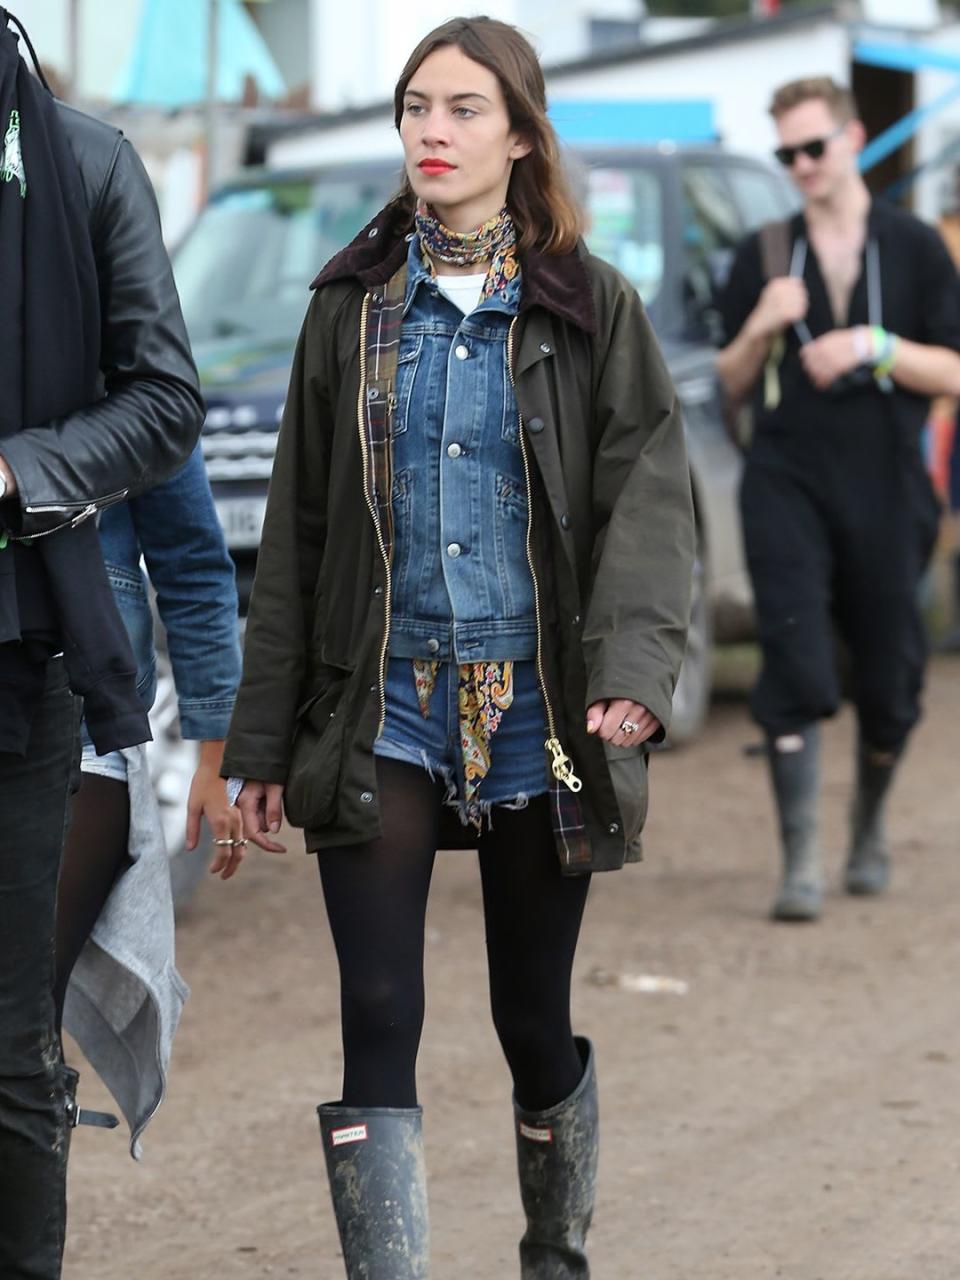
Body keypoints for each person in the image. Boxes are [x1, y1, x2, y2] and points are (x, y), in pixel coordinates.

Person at [223, 16, 694, 1278]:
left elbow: (651, 499)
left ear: (522, 135)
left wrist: (634, 676)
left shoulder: (591, 306)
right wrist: (260, 738)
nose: (432, 129)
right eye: (415, 106)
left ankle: (556, 1252)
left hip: (539, 709)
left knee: (529, 1020)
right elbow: (297, 533)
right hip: (382, 700)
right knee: (378, 1012)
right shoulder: (350, 306)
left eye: (464, 108)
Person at [0, 10, 203, 1278]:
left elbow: (166, 398)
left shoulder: (83, 162)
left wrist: (17, 471)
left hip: (24, 659)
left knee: (9, 1036)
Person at [717, 77, 960, 923]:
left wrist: (878, 345)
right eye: (786, 153)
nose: (802, 165)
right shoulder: (764, 251)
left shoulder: (916, 246)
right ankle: (799, 866)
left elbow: (954, 371)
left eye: (814, 147)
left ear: (854, 138)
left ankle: (868, 826)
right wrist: (761, 324)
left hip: (890, 480)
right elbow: (731, 383)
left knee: (891, 678)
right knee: (796, 660)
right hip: (786, 476)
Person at [53, 440, 243, 1155]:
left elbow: (193, 566)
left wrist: (213, 755)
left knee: (20, 1013)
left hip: (84, 727)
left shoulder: (126, 365)